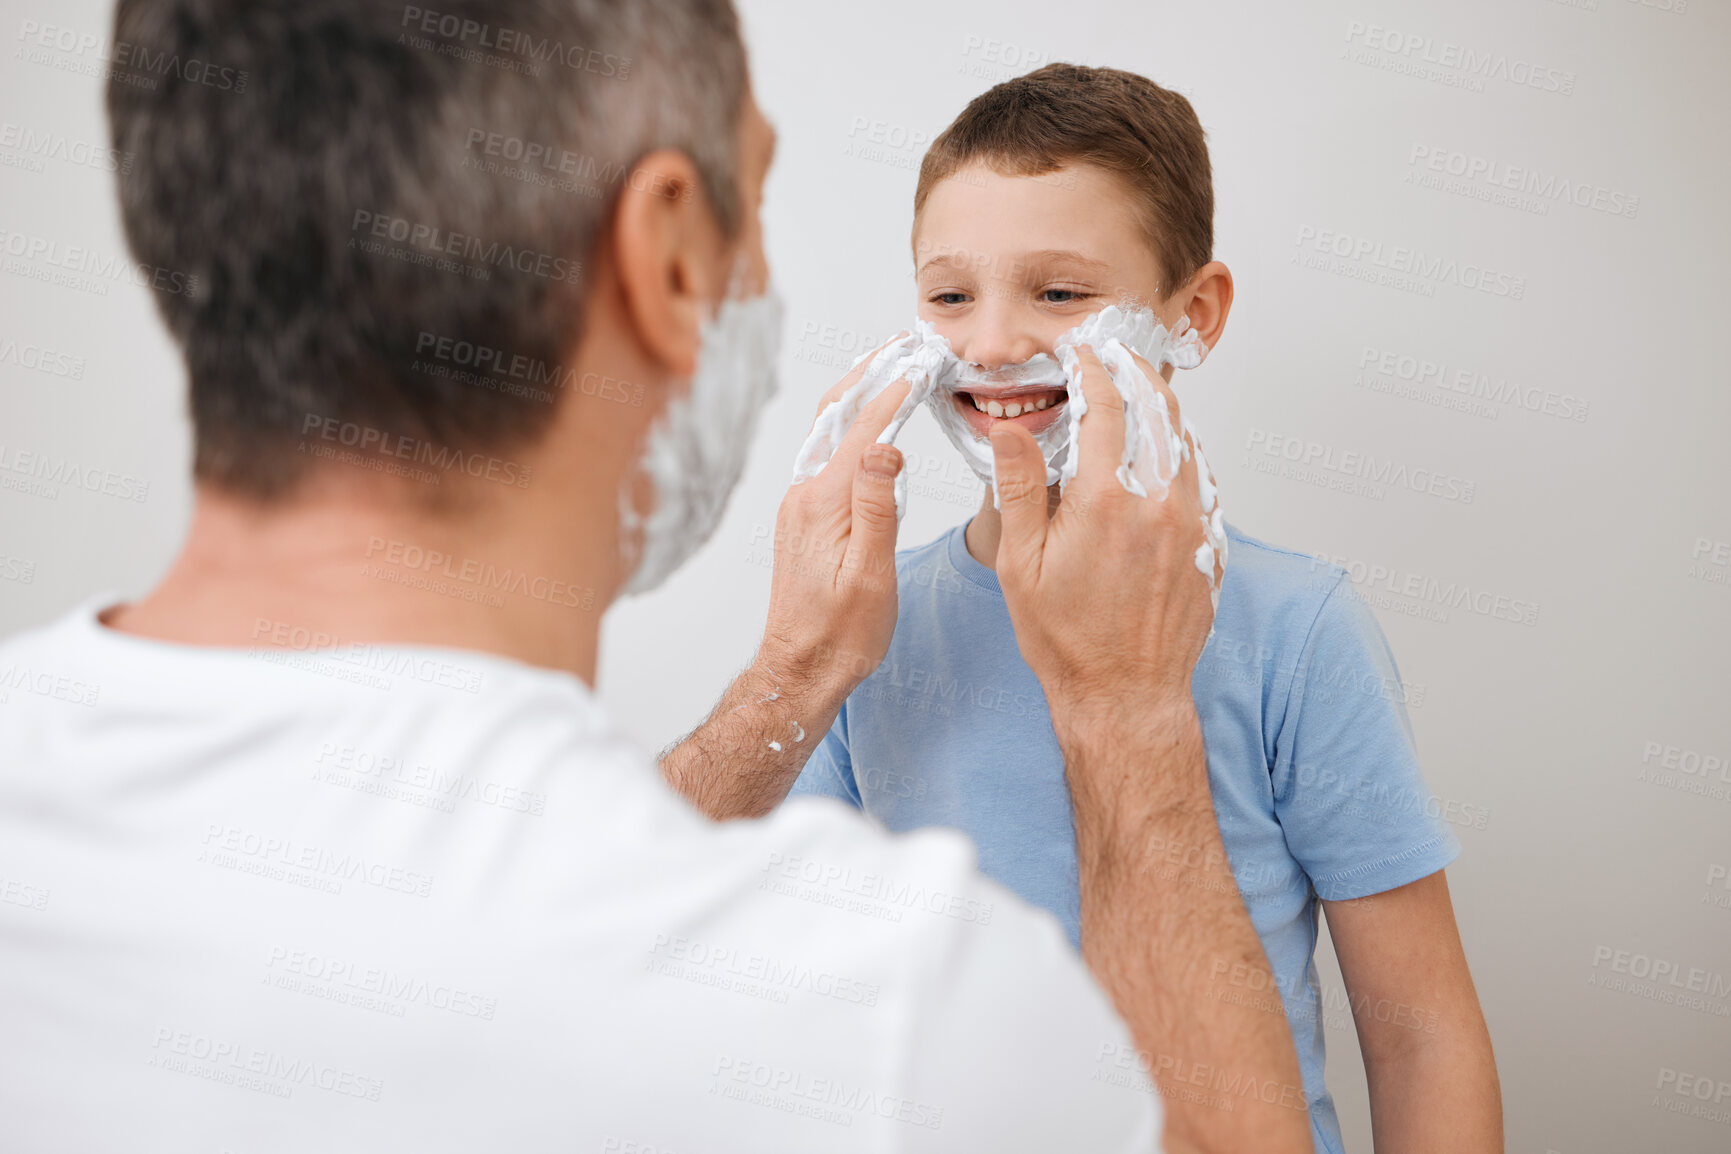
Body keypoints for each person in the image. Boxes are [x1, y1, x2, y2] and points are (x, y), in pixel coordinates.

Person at [0, 3, 1308, 1153]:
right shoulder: (892, 1013)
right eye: (754, 202)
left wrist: (793, 675)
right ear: (668, 254)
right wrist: (1124, 712)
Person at [783, 65, 1503, 1153]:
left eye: (1060, 293)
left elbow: (1421, 1036)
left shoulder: (1295, 628)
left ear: (1192, 313)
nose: (988, 345)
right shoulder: (869, 619)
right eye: (948, 295)